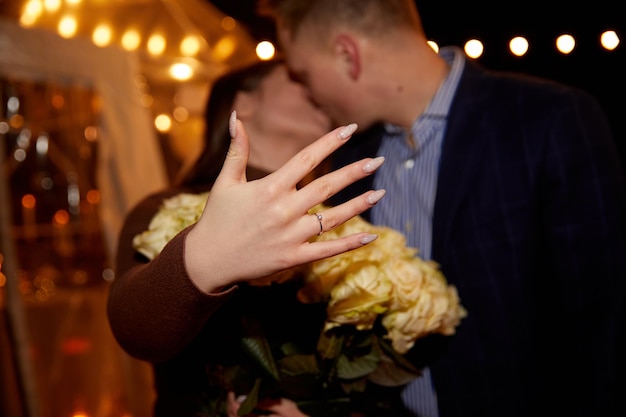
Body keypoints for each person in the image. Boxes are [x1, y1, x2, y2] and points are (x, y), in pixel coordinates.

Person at [258, 1, 626, 416]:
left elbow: (601, 324)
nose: (308, 94)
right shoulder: (351, 161)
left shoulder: (548, 119)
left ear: (349, 55)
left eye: (303, 75)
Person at [107, 58, 387, 416]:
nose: (315, 86)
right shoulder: (163, 206)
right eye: (297, 77)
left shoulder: (344, 219)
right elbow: (135, 332)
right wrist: (207, 258)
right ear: (245, 104)